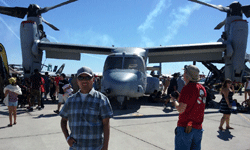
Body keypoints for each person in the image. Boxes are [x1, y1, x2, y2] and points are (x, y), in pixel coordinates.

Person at [60, 66, 113, 150]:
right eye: (81, 77)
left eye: (87, 77)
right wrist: (67, 137)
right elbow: (63, 121)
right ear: (77, 81)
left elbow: (106, 124)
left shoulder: (101, 100)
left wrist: (105, 146)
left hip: (95, 148)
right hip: (75, 147)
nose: (84, 80)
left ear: (93, 80)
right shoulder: (70, 101)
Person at [174, 65, 206, 150]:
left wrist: (174, 101)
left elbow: (181, 109)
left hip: (185, 128)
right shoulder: (202, 89)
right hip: (198, 128)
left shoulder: (187, 88)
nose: (183, 74)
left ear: (188, 75)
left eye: (184, 72)